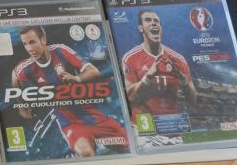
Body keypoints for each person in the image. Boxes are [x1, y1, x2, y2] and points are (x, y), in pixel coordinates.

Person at [12, 26, 127, 157]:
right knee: (85, 152)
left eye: (32, 42)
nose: (29, 48)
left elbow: (93, 71)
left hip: (94, 115)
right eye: (25, 44)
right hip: (70, 123)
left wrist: (77, 78)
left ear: (43, 39)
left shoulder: (60, 51)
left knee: (128, 146)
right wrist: (22, 105)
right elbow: (14, 77)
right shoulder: (26, 68)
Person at [121, 10, 197, 139]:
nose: (153, 23)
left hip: (171, 128)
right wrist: (148, 75)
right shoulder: (130, 57)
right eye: (148, 20)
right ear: (141, 28)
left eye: (156, 21)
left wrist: (183, 80)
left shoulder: (178, 59)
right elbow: (129, 98)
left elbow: (194, 100)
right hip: (144, 128)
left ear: (160, 28)